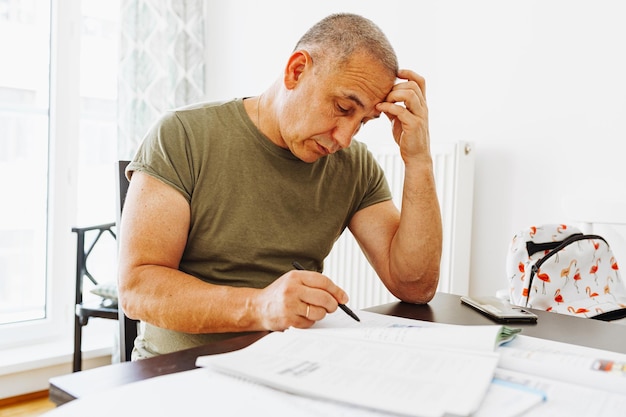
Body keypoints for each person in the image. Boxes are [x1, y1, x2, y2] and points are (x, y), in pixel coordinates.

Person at [118, 12, 442, 358]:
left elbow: (415, 285)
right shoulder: (182, 135)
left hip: (290, 365)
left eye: (364, 121)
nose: (346, 138)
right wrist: (259, 306)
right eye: (343, 107)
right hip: (178, 374)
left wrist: (418, 159)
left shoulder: (354, 166)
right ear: (296, 71)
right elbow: (138, 288)